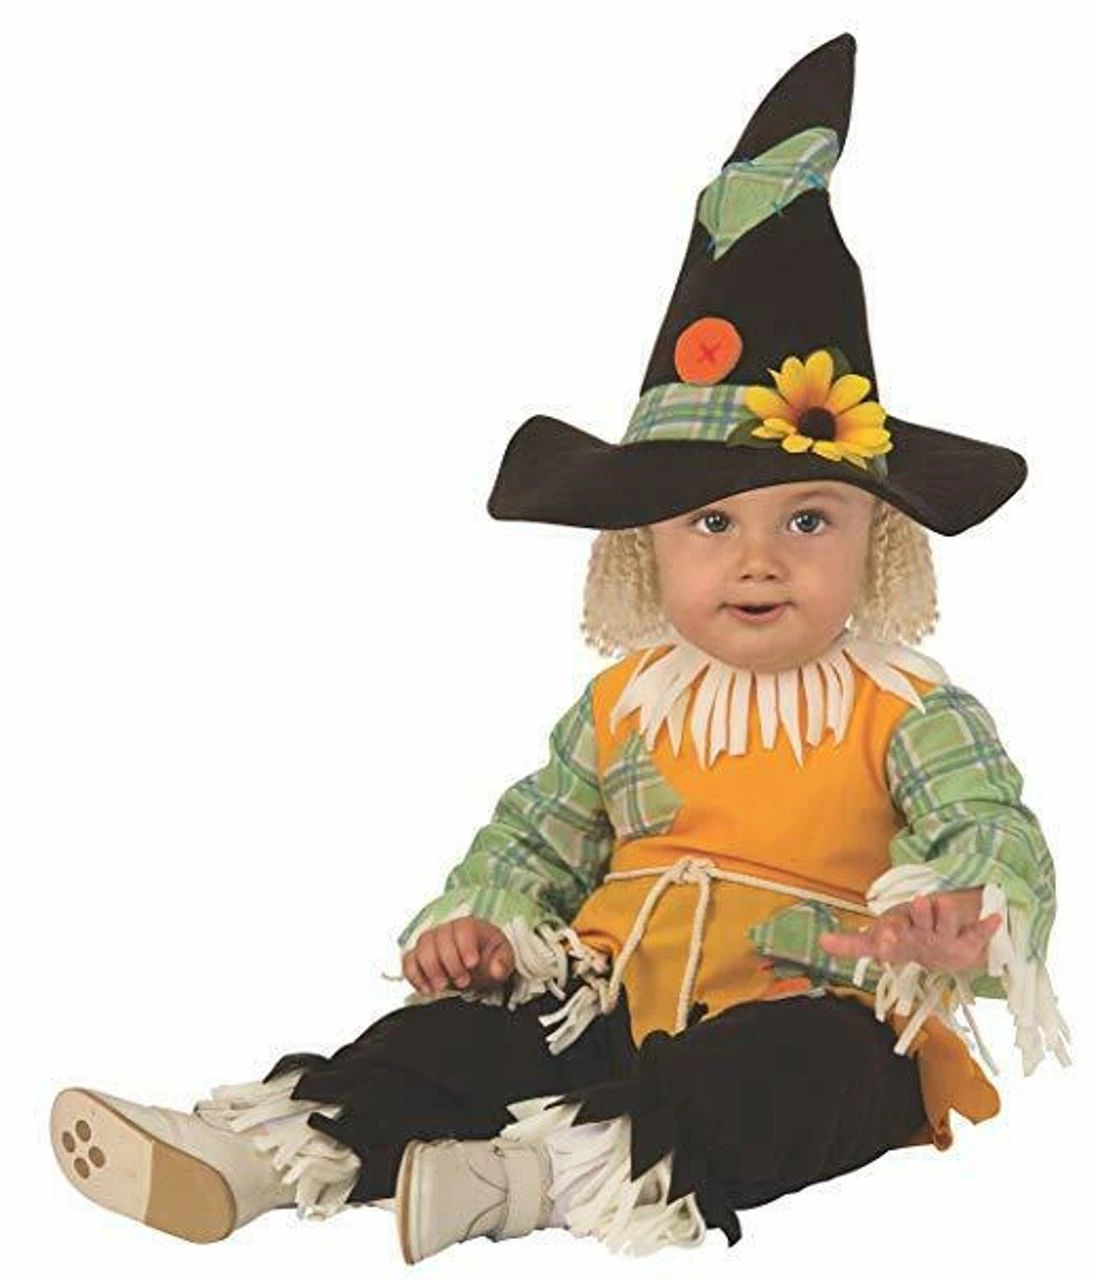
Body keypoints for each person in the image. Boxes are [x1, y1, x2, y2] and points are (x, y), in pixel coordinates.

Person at [49, 31, 1071, 1264]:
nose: (758, 559)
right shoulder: (623, 703)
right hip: (608, 1001)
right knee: (462, 1036)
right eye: (711, 523)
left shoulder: (906, 706)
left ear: (875, 541)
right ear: (643, 550)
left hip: (806, 1004)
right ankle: (269, 1152)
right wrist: (482, 918)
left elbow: (988, 827)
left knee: (804, 1071)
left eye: (806, 520)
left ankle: (532, 1174)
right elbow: (536, 837)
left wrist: (964, 911)